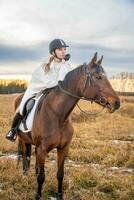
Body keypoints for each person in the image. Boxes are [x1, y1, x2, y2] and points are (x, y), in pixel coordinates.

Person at [6, 38, 73, 142]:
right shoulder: (46, 66)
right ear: (53, 52)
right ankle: (13, 130)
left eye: (64, 49)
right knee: (23, 106)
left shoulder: (66, 65)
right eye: (60, 49)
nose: (63, 51)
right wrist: (63, 66)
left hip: (52, 92)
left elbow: (68, 81)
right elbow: (50, 84)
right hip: (36, 90)